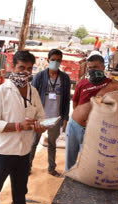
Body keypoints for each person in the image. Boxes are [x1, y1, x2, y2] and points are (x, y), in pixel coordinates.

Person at [0, 51, 45, 204]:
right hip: (2, 152)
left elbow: (40, 116)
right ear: (12, 67)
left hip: (23, 152)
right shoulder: (1, 92)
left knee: (20, 193)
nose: (24, 72)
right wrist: (19, 126)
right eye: (21, 67)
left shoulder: (33, 92)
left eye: (28, 68)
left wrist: (41, 125)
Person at [30, 49, 71, 177]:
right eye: (53, 60)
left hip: (55, 117)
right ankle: (27, 167)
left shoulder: (64, 78)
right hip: (40, 118)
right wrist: (31, 116)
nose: (55, 62)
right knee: (33, 143)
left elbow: (66, 100)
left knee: (52, 144)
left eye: (58, 60)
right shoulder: (40, 76)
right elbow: (32, 97)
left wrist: (65, 118)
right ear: (48, 60)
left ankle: (51, 168)